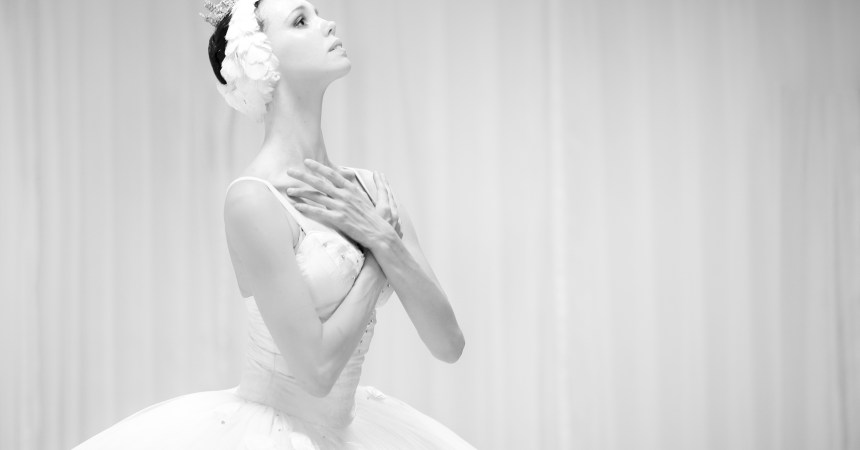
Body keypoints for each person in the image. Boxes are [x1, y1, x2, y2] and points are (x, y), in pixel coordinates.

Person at [72, 0, 474, 448]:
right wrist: (377, 254)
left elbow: (449, 344)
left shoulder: (369, 192)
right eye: (301, 20)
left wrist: (381, 236)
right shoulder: (253, 199)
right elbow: (317, 372)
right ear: (264, 60)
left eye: (317, 14)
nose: (328, 23)